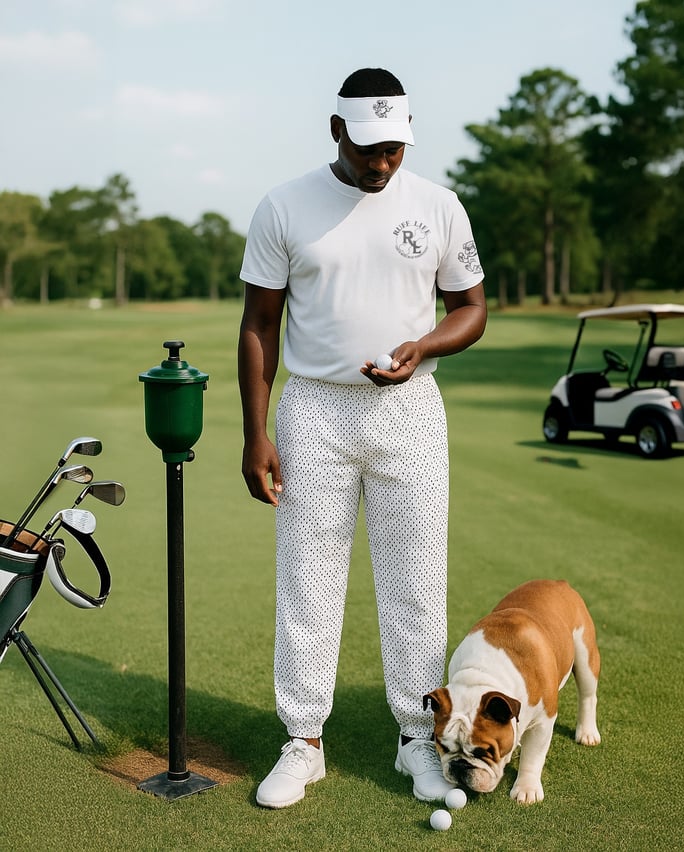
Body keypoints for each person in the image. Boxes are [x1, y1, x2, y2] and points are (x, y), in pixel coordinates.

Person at [238, 67, 486, 809]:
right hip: (314, 408)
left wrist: (425, 346)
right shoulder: (284, 205)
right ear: (338, 130)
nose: (383, 162)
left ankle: (418, 738)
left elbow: (471, 308)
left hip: (411, 410)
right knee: (308, 580)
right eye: (370, 146)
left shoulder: (439, 206)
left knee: (417, 580)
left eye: (396, 148)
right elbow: (259, 324)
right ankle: (304, 741)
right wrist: (256, 433)